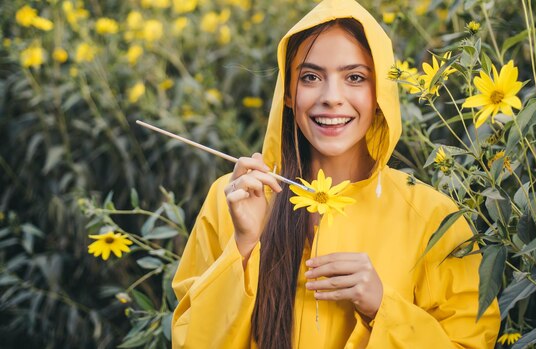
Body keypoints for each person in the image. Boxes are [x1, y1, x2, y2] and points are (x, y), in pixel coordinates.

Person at [171, 0, 500, 347]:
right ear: (287, 94)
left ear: (380, 95)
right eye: (311, 77)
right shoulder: (233, 200)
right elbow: (189, 340)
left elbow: (471, 341)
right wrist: (244, 247)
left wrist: (381, 308)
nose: (331, 97)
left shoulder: (434, 218)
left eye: (355, 77)